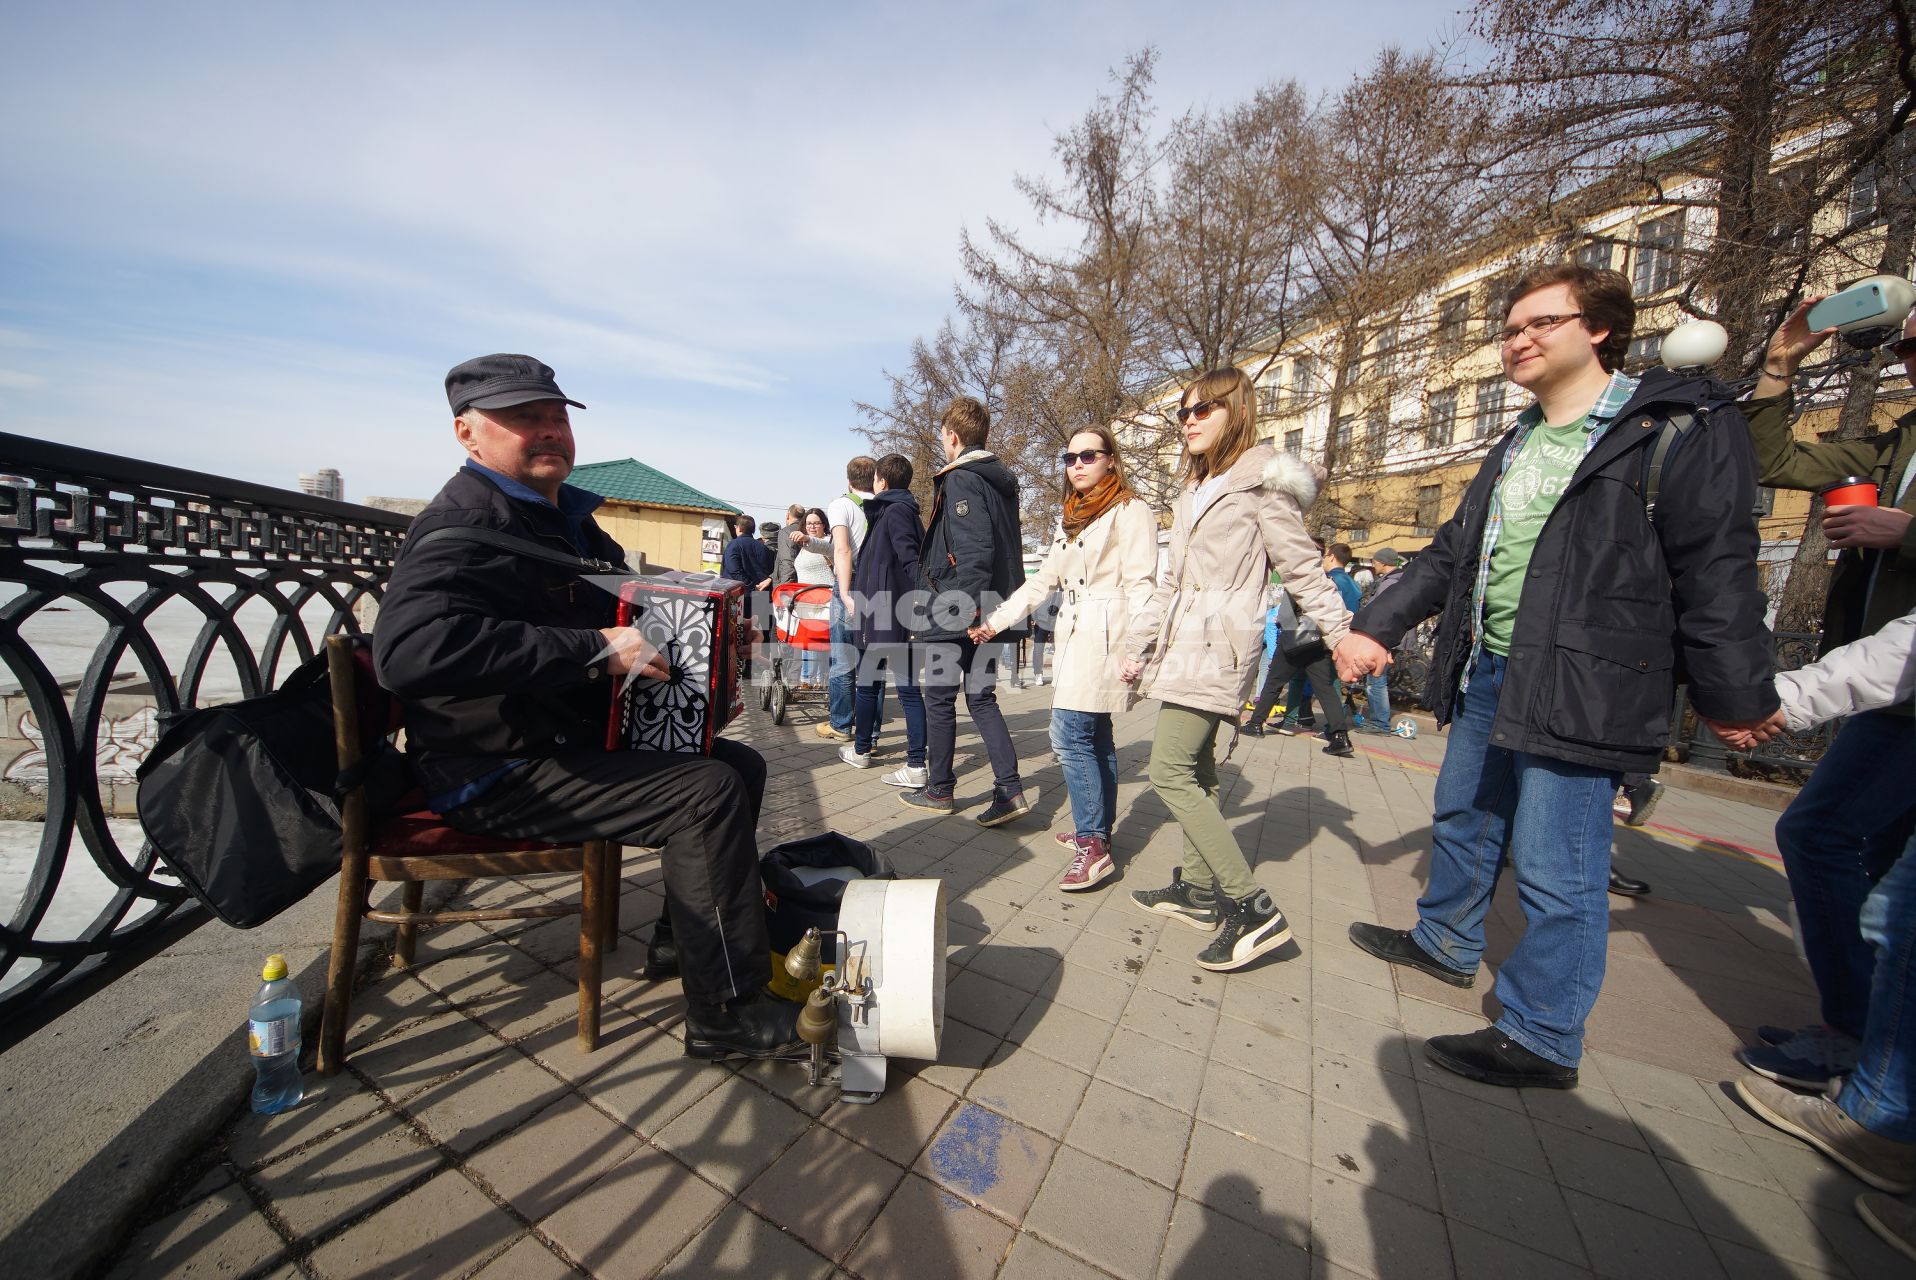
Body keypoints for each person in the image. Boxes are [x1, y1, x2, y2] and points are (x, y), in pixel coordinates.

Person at [1338, 263, 1781, 1089]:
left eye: (1541, 323)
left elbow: (1716, 564)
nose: (1519, 341)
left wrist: (1737, 691)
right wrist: (1376, 625)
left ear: (1600, 327)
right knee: (1465, 816)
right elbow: (1450, 554)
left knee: (1556, 859)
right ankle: (1445, 944)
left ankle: (1543, 1034)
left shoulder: (1669, 427)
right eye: (1509, 330)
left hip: (1588, 678)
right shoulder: (1517, 440)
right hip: (1491, 666)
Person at [374, 353, 800, 1061]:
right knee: (707, 792)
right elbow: (409, 651)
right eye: (523, 419)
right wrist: (590, 651)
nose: (549, 432)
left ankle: (680, 943)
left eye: (556, 417)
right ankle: (726, 1013)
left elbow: (633, 599)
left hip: (558, 739)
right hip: (492, 767)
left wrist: (719, 629)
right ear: (466, 434)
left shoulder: (557, 519)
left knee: (739, 765)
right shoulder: (462, 525)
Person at [1725, 300, 1916, 1090]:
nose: (1911, 358)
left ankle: (1863, 1049)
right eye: (1909, 345)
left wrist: (1906, 535)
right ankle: (1865, 1045)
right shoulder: (1897, 439)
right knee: (1865, 858)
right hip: (1883, 685)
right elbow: (1774, 461)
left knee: (1821, 836)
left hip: (1901, 696)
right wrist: (1780, 367)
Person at [1121, 367, 1360, 972]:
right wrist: (1138, 645)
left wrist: (1342, 634)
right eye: (1184, 411)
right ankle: (1200, 894)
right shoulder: (1194, 490)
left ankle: (1252, 908)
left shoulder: (1260, 485)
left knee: (1169, 769)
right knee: (1197, 770)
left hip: (1220, 649)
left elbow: (1303, 569)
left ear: (1238, 412)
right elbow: (1171, 583)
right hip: (1182, 647)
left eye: (1205, 409)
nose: (1190, 420)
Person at [1712, 606, 1916, 1257]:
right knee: (1878, 870)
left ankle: (1878, 1101)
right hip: (1894, 694)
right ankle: (1865, 1049)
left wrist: (1785, 700)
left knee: (1893, 903)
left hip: (1899, 695)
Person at [970, 425, 1157, 890]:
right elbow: (1042, 582)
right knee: (1095, 736)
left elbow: (1143, 586)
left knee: (1069, 735)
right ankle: (1099, 830)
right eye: (1069, 457)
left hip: (1108, 635)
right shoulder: (1071, 515)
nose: (1076, 465)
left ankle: (1093, 845)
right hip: (1075, 634)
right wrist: (996, 620)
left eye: (1088, 456)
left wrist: (1137, 649)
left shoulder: (1131, 511)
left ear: (1111, 459)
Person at [900, 397, 1029, 825]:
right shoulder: (999, 481)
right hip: (990, 604)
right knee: (981, 698)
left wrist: (970, 613)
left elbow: (975, 551)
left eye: (943, 438)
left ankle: (940, 790)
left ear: (953, 437)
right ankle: (1009, 790)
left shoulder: (962, 480)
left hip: (958, 608)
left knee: (939, 699)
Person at [845, 456, 928, 783]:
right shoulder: (891, 512)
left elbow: (912, 563)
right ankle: (863, 750)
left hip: (890, 619)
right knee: (874, 685)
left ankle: (915, 764)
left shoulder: (895, 513)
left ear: (881, 480)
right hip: (882, 616)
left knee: (901, 689)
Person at [810, 457, 875, 743]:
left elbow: (843, 550)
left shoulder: (841, 505)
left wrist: (845, 592)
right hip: (879, 586)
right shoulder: (883, 505)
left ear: (848, 481)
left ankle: (841, 724)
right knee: (873, 662)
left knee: (843, 659)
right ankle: (870, 734)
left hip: (851, 582)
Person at [1352, 547, 1406, 734]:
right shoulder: (1397, 581)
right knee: (1375, 680)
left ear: (1382, 562)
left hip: (1382, 638)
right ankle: (1377, 720)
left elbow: (1381, 612)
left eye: (1375, 561)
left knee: (1376, 681)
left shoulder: (1389, 583)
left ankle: (1380, 722)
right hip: (1387, 637)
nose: (1373, 565)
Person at [791, 507, 833, 686]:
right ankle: (808, 679)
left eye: (816, 523)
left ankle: (815, 680)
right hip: (805, 600)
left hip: (824, 599)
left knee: (816, 639)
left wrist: (808, 539)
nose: (812, 526)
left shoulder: (828, 541)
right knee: (807, 640)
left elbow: (827, 549)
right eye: (809, 523)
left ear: (824, 525)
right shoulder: (803, 546)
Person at [720, 511, 773, 591]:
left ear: (740, 528)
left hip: (739, 591)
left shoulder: (733, 544)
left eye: (735, 527)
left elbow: (734, 570)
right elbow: (769, 570)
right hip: (762, 590)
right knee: (761, 604)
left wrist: (751, 586)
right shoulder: (763, 547)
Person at [771, 502, 806, 587]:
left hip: (789, 586)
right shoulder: (807, 532)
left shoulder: (785, 532)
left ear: (787, 515)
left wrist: (785, 588)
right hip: (804, 582)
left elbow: (788, 562)